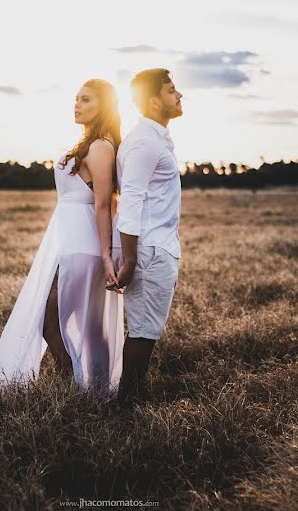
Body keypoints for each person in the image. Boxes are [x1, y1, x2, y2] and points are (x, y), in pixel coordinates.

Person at [0, 79, 124, 393]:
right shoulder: (85, 145)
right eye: (76, 99)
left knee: (65, 319)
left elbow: (105, 203)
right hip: (66, 240)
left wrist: (107, 255)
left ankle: (91, 388)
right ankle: (82, 386)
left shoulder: (101, 147)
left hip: (85, 246)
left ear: (103, 106)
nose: (77, 104)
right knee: (62, 319)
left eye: (86, 100)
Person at [113, 68, 184, 405]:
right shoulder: (143, 142)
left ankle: (130, 399)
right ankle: (128, 407)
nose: (179, 95)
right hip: (149, 249)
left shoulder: (155, 140)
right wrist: (129, 259)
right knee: (143, 332)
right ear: (155, 101)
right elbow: (130, 201)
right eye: (172, 90)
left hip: (158, 246)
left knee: (146, 330)